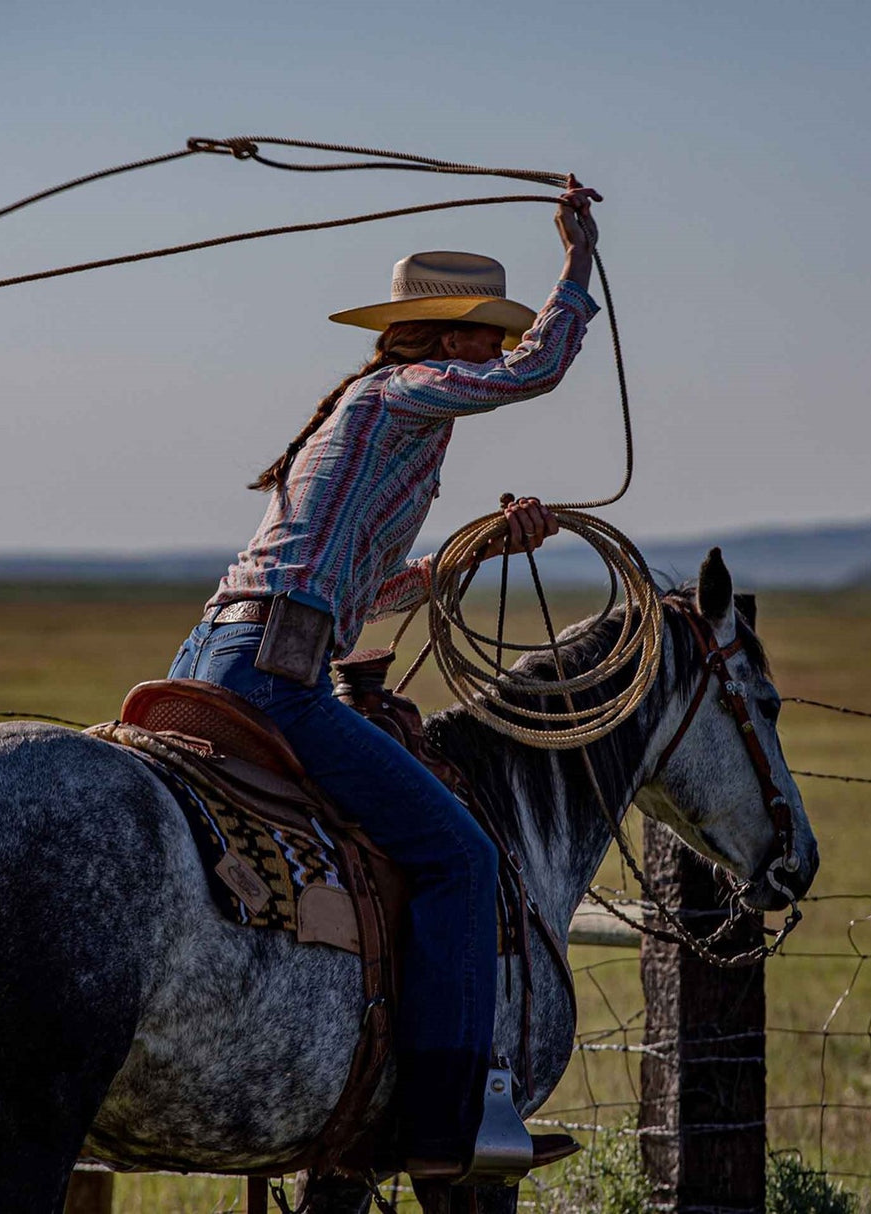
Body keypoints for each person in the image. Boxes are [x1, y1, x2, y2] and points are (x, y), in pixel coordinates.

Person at [168, 176, 601, 1176]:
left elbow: (359, 596)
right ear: (448, 340)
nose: (493, 352)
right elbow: (536, 371)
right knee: (457, 856)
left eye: (496, 335)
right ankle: (441, 1121)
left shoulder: (364, 415)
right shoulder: (403, 394)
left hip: (216, 651)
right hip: (275, 672)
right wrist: (574, 259)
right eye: (483, 335)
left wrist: (471, 551)